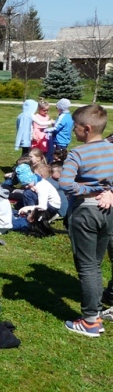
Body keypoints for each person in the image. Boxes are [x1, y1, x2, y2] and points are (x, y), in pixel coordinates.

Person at [59, 104, 113, 337]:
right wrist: (108, 189)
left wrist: (90, 188)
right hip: (108, 211)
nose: (73, 132)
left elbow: (65, 183)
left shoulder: (77, 153)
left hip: (86, 212)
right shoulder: (111, 149)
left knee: (88, 267)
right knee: (97, 263)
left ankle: (91, 321)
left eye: (76, 128)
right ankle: (96, 311)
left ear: (87, 129)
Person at [11, 164, 60, 231]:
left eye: (27, 184)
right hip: (47, 204)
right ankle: (29, 214)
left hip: (52, 207)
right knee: (28, 192)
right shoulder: (36, 180)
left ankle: (32, 217)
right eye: (24, 185)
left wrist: (27, 208)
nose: (26, 187)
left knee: (27, 193)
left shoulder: (41, 187)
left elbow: (43, 206)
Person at [46, 98, 73, 162]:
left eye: (57, 107)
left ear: (60, 108)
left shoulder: (62, 116)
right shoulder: (69, 116)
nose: (57, 109)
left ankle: (58, 167)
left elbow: (56, 128)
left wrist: (45, 130)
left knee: (57, 156)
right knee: (63, 155)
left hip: (60, 140)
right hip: (66, 139)